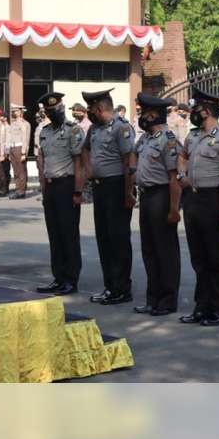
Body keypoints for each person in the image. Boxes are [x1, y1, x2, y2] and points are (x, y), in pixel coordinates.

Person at [177, 90, 219, 326]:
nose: (193, 112)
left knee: (215, 257)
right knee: (198, 257)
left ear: (207, 111)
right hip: (193, 199)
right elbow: (182, 157)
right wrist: (182, 175)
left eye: (197, 108)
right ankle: (201, 306)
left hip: (214, 198)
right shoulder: (192, 136)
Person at [83, 87, 136, 305]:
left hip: (116, 186)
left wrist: (128, 192)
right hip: (100, 187)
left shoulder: (121, 127)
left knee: (118, 239)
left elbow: (129, 161)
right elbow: (84, 150)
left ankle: (122, 288)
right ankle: (110, 286)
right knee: (104, 238)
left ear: (100, 107)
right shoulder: (94, 129)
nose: (89, 112)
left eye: (91, 109)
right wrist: (89, 171)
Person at [133, 92, 182, 316]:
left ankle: (167, 300)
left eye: (144, 112)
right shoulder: (144, 139)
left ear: (153, 115)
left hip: (162, 196)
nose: (142, 116)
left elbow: (174, 178)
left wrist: (174, 208)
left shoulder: (168, 140)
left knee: (165, 250)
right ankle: (152, 298)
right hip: (146, 196)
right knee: (149, 250)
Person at [35, 92, 86, 296]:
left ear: (62, 109)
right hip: (51, 186)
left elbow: (79, 163)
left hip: (67, 185)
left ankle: (71, 280)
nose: (54, 112)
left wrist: (78, 191)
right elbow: (42, 161)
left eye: (57, 109)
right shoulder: (44, 132)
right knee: (54, 235)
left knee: (69, 234)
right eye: (50, 110)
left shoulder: (73, 130)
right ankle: (58, 277)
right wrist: (43, 189)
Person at [7, 104, 31, 199]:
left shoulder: (25, 124)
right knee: (16, 171)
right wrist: (9, 151)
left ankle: (21, 191)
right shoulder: (13, 124)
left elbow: (26, 139)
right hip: (13, 148)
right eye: (12, 111)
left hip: (20, 148)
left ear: (20, 112)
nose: (13, 113)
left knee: (21, 171)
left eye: (15, 111)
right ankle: (17, 189)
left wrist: (24, 153)